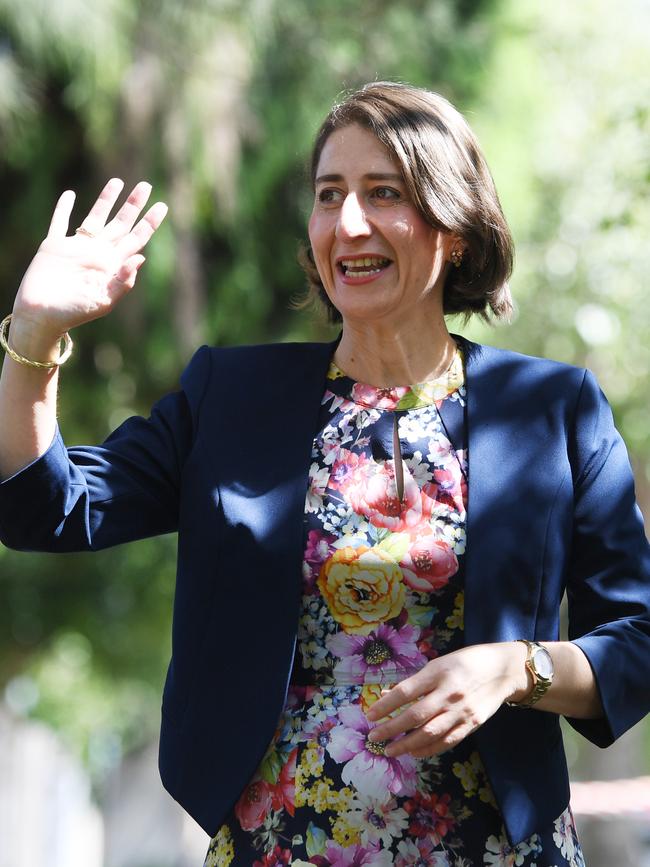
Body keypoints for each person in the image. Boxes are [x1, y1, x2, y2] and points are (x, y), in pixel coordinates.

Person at [0, 82, 648, 867]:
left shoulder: (554, 408)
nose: (347, 223)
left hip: (496, 849)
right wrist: (34, 338)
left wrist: (520, 667)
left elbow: (636, 641)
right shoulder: (230, 395)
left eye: (385, 193)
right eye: (328, 194)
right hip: (282, 846)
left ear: (459, 232)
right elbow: (46, 509)